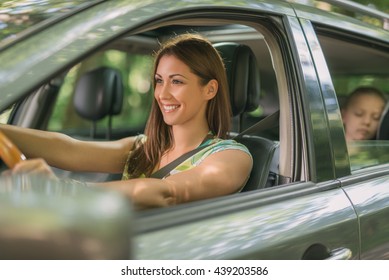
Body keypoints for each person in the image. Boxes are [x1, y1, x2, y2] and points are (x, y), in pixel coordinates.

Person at [0, 33, 253, 209]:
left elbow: (168, 193)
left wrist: (65, 191)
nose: (162, 94)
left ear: (209, 90)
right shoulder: (143, 147)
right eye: (159, 80)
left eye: (177, 81)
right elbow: (69, 149)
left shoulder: (231, 157)